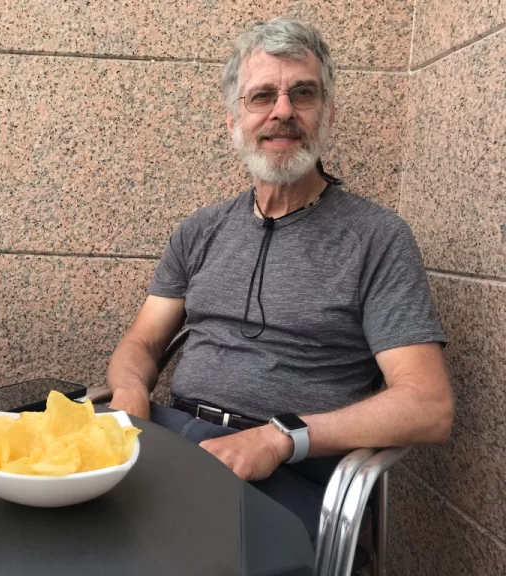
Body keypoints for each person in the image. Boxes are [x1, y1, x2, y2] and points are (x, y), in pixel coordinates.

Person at [106, 17, 454, 539]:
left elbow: (429, 405)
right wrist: (130, 388)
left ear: (327, 114)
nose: (283, 111)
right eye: (262, 95)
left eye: (303, 94)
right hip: (176, 446)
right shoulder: (199, 230)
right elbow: (143, 340)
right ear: (233, 121)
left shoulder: (376, 237)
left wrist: (280, 438)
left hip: (296, 472)